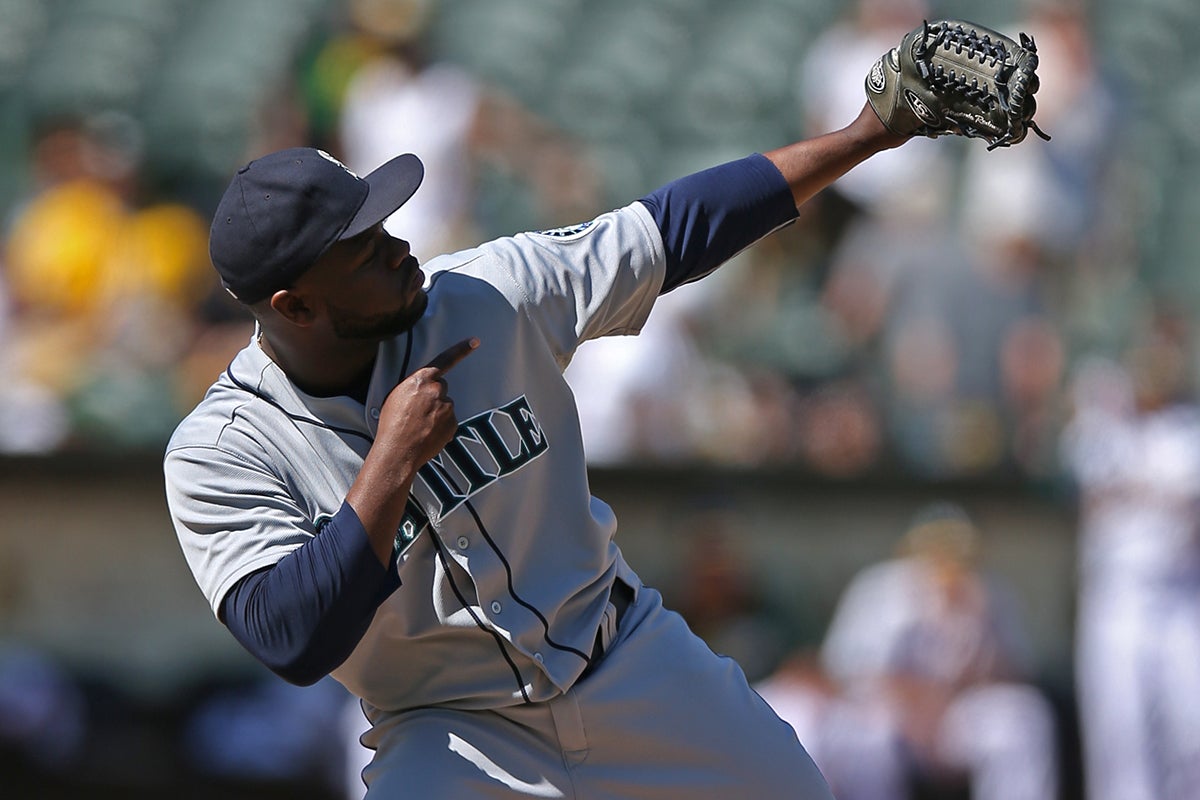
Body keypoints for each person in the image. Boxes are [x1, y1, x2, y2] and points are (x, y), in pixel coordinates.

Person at [163, 25, 1036, 796]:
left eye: (386, 223)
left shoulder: (483, 293)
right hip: (448, 732)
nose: (398, 246)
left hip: (629, 665)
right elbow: (290, 639)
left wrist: (870, 133)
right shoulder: (223, 450)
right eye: (364, 250)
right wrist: (390, 465)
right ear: (296, 306)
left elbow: (673, 228)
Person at [817, 503, 1058, 800]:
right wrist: (917, 704)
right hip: (890, 713)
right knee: (865, 738)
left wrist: (981, 630)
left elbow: (1020, 672)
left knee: (1023, 717)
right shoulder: (881, 586)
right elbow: (845, 671)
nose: (947, 555)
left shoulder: (989, 591)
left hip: (955, 713)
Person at [1061, 313, 1200, 800]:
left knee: (1192, 726)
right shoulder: (1101, 425)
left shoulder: (1188, 429)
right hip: (1117, 596)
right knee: (1122, 731)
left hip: (1183, 594)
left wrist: (1141, 494)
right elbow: (1088, 486)